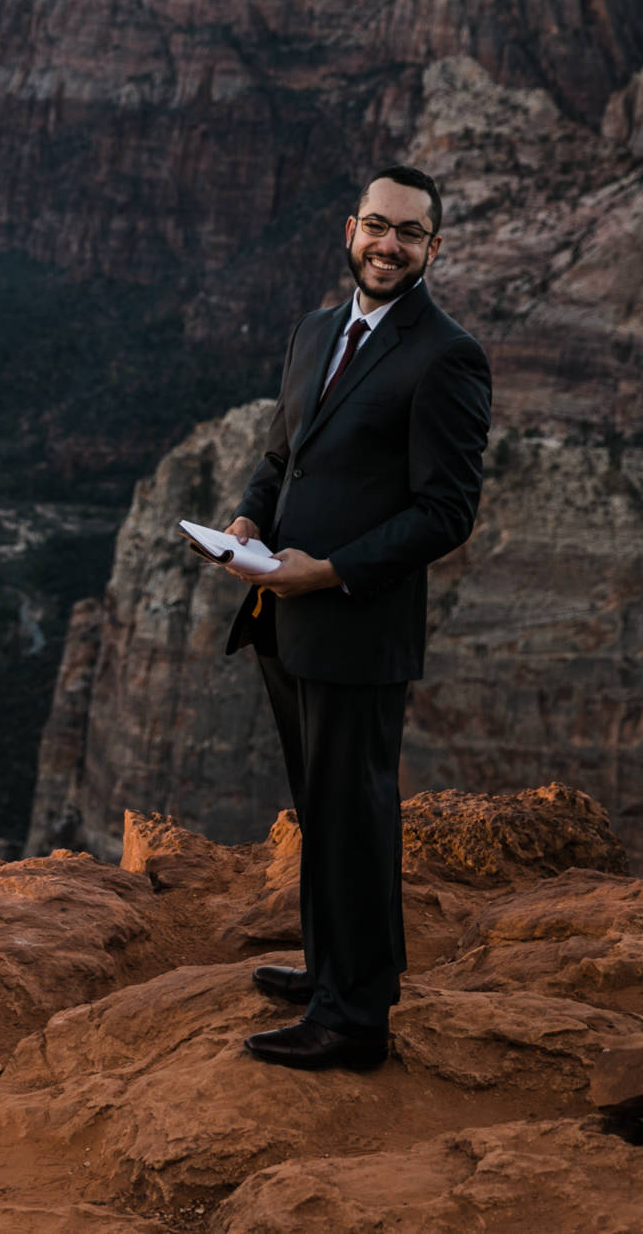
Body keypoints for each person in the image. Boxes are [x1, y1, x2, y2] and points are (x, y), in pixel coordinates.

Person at [210, 165, 490, 1072]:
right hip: (281, 611)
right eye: (377, 226)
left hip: (356, 622)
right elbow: (280, 451)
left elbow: (446, 512)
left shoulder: (445, 355)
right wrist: (250, 519)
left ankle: (356, 1019)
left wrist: (327, 570)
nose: (388, 244)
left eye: (409, 233)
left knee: (356, 813)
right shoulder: (316, 331)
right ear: (348, 231)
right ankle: (334, 969)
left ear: (433, 248)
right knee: (319, 806)